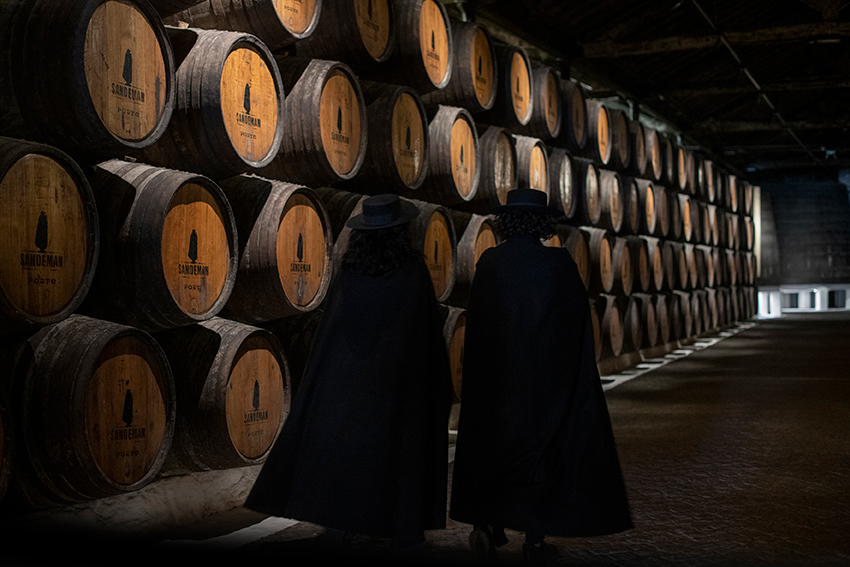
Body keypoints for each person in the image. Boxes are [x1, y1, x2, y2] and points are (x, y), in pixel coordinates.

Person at [244, 194, 453, 557]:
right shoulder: (412, 270)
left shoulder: (350, 270)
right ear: (400, 232)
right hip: (398, 382)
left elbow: (332, 330)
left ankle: (337, 525)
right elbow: (425, 331)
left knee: (347, 453)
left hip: (348, 380)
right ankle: (404, 531)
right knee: (400, 455)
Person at [449, 188, 632, 563]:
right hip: (542, 382)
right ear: (542, 223)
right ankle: (533, 541)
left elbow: (478, 325)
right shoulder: (558, 264)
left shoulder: (491, 262)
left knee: (490, 449)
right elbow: (576, 325)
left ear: (506, 223)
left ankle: (484, 524)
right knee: (540, 456)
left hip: (495, 383)